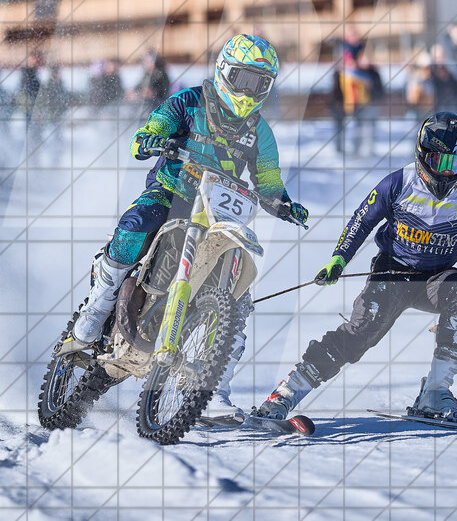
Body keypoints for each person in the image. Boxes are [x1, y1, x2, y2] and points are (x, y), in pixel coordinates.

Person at [71, 34, 309, 419]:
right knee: (134, 225)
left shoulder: (260, 132)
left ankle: (214, 388)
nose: (249, 91)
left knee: (238, 298)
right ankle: (98, 307)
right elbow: (158, 123)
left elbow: (267, 176)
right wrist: (151, 138)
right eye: (243, 79)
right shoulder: (190, 100)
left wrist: (282, 203)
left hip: (219, 215)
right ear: (224, 72)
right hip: (171, 192)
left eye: (259, 84)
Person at [254, 113, 457, 422]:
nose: (445, 172)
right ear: (423, 154)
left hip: (436, 280)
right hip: (392, 272)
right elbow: (363, 220)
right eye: (438, 161)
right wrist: (339, 259)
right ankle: (287, 393)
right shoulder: (398, 182)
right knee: (361, 333)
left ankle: (435, 393)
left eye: (455, 164)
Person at [17, 53, 43, 124]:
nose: (34, 62)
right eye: (32, 59)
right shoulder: (28, 73)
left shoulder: (34, 72)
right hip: (30, 103)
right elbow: (28, 90)